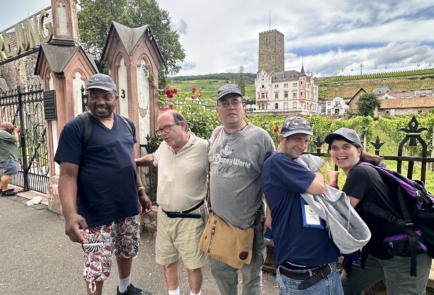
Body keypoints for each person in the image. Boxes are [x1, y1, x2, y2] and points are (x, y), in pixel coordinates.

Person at [54, 73, 152, 295]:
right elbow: (67, 176)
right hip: (94, 214)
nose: (100, 101)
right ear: (87, 97)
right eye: (94, 96)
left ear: (115, 97)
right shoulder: (76, 128)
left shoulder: (127, 125)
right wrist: (70, 215)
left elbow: (129, 161)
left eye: (106, 96)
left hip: (126, 207)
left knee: (126, 250)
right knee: (95, 268)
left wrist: (141, 191)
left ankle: (125, 289)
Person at [324, 128, 432, 295]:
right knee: (344, 289)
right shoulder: (367, 169)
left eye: (346, 146)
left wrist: (332, 183)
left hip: (404, 252)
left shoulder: (361, 172)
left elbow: (340, 215)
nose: (339, 152)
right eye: (334, 147)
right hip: (378, 250)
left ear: (358, 150)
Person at [261, 116, 343, 295]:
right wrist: (316, 170)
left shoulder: (283, 163)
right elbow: (319, 187)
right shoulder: (278, 161)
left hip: (312, 270)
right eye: (297, 139)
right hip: (308, 275)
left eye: (306, 141)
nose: (303, 146)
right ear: (282, 138)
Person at [208, 84, 274, 295]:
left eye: (235, 102)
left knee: (251, 278)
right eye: (224, 103)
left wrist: (270, 214)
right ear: (217, 110)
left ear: (244, 107)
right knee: (221, 273)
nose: (231, 107)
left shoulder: (260, 138)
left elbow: (273, 181)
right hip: (220, 224)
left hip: (250, 225)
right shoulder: (217, 134)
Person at [135, 110, 208, 295]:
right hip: (165, 217)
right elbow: (153, 158)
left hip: (192, 217)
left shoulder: (203, 148)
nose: (163, 133)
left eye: (166, 127)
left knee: (193, 265)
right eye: (160, 130)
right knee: (168, 262)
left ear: (182, 125)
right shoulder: (164, 147)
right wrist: (133, 162)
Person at [0, 122, 20, 196]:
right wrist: (16, 132)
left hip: (4, 156)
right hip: (8, 156)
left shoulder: (2, 133)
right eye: (12, 127)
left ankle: (2, 188)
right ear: (8, 127)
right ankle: (5, 191)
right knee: (7, 173)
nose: (13, 128)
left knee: (6, 173)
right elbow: (15, 139)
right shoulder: (2, 133)